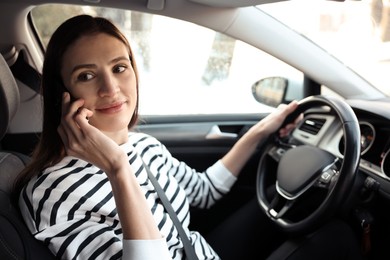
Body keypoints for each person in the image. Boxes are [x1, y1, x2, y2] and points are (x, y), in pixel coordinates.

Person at [13, 15, 362, 260]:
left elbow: (205, 191)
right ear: (62, 94)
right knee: (338, 237)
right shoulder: (52, 192)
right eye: (87, 75)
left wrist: (262, 130)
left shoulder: (143, 145)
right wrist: (118, 169)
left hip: (198, 249)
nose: (111, 88)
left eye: (120, 68)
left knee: (290, 198)